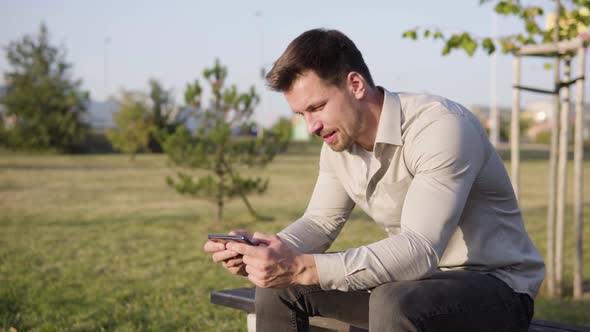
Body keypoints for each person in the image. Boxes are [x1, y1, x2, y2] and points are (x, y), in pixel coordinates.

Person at [204, 28, 545, 332]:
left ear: (355, 85)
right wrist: (265, 251)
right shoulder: (339, 143)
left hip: (497, 289)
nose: (312, 126)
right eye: (302, 114)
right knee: (280, 288)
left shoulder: (440, 127)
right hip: (416, 284)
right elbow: (320, 223)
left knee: (393, 301)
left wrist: (302, 268)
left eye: (317, 107)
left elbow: (419, 249)